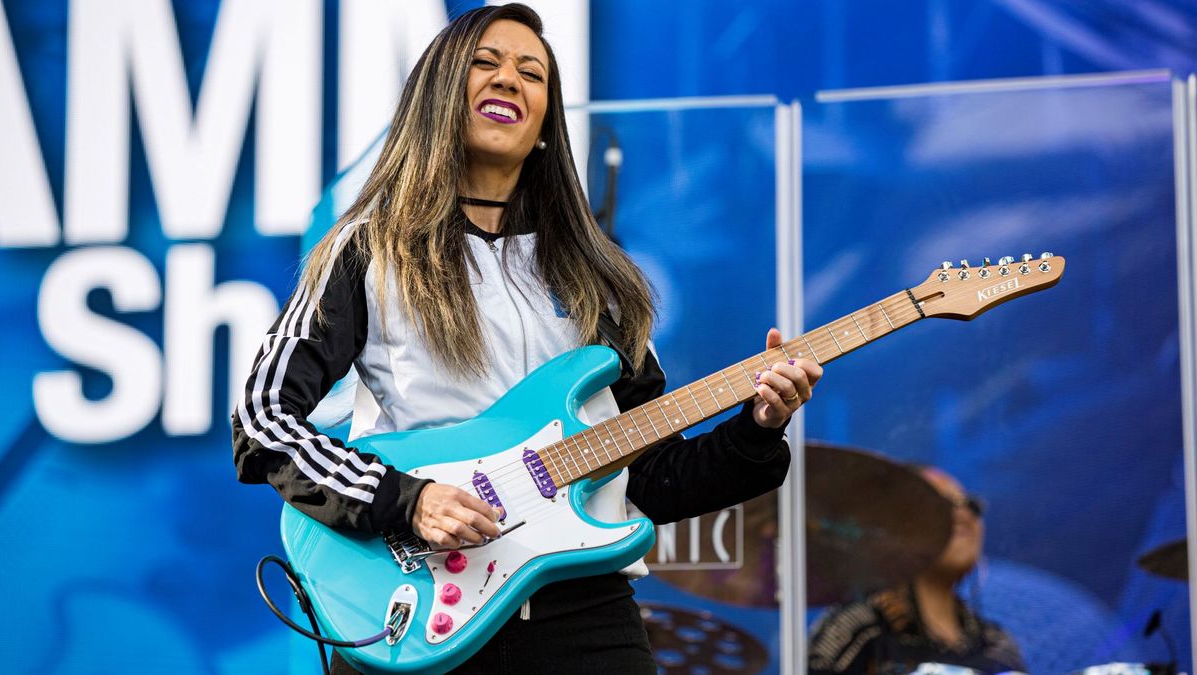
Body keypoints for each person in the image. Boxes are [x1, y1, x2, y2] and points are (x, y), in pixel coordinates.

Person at [230, 4, 822, 673]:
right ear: (437, 98)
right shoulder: (367, 250)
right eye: (485, 64)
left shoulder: (599, 274)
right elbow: (262, 419)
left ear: (546, 121)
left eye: (532, 73)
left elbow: (649, 476)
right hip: (421, 611)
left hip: (585, 620)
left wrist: (759, 427)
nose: (509, 80)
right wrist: (406, 500)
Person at [807, 467, 1025, 675]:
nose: (963, 514)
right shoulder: (858, 628)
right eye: (941, 503)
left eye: (971, 505)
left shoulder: (997, 644)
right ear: (896, 528)